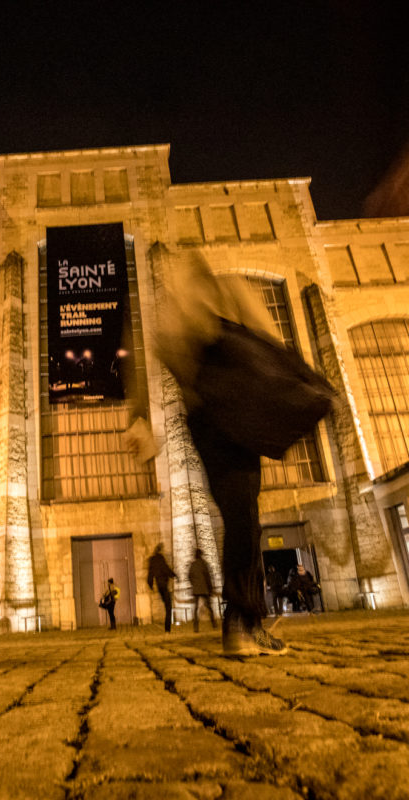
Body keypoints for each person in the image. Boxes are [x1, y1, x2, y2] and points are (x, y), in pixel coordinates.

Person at [155, 250, 291, 657]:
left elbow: (167, 362)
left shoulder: (174, 317)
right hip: (232, 415)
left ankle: (246, 621)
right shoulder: (226, 294)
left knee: (240, 518)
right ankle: (241, 622)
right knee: (244, 519)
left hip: (205, 420)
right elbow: (270, 340)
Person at [147, 543, 177, 632]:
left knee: (166, 604)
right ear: (160, 550)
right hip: (163, 584)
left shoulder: (152, 560)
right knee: (168, 606)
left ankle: (167, 628)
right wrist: (174, 575)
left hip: (160, 586)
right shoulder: (160, 558)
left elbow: (150, 573)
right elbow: (165, 569)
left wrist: (151, 584)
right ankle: (167, 629)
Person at [188, 548, 217, 631]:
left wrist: (193, 584)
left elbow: (189, 576)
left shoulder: (193, 565)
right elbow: (208, 577)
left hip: (196, 588)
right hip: (204, 588)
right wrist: (210, 588)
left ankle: (196, 627)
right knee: (209, 606)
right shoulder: (203, 564)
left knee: (196, 608)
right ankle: (213, 623)